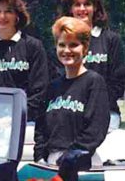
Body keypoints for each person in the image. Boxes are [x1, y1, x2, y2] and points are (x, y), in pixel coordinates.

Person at [34, 16, 110, 171]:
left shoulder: (94, 82)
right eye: (62, 45)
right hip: (50, 163)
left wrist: (69, 157)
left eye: (73, 45)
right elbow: (41, 127)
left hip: (81, 162)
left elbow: (96, 129)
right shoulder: (53, 86)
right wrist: (40, 156)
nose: (67, 50)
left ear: (85, 47)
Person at [59, 0, 125, 130]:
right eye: (77, 4)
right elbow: (56, 79)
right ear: (70, 8)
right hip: (70, 110)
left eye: (87, 4)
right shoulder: (60, 40)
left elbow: (118, 83)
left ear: (95, 7)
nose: (82, 9)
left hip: (105, 112)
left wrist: (93, 105)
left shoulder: (111, 39)